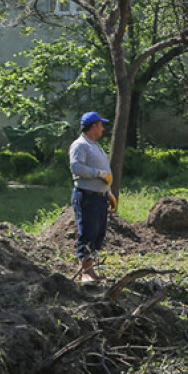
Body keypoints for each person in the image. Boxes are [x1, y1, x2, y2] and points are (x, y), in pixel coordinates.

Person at [69, 111, 115, 283]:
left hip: (99, 197)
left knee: (97, 234)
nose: (102, 128)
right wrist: (100, 173)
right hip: (87, 197)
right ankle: (84, 272)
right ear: (93, 126)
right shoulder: (80, 145)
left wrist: (108, 193)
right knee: (88, 232)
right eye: (101, 125)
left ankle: (90, 270)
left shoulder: (94, 145)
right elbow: (76, 168)